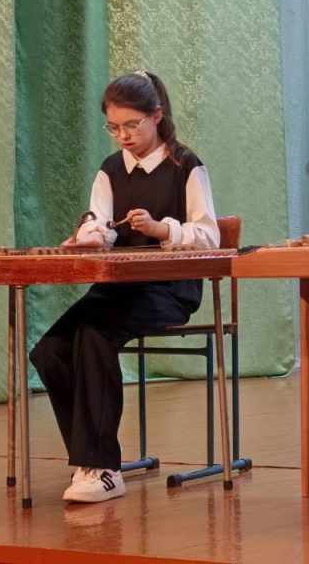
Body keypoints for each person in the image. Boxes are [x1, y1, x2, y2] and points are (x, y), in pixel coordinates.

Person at [30, 71, 220, 504]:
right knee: (49, 351)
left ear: (157, 116)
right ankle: (91, 460)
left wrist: (161, 229)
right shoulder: (110, 169)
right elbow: (99, 223)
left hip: (169, 290)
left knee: (94, 335)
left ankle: (101, 467)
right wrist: (88, 236)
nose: (123, 136)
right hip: (116, 290)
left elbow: (210, 236)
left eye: (132, 125)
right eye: (114, 127)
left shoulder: (185, 165)